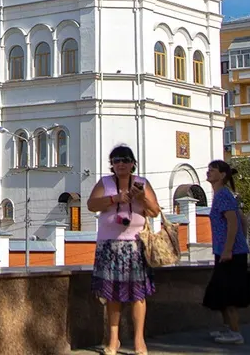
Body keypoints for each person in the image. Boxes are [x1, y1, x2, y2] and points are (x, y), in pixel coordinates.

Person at [86, 145, 160, 355]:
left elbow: (155, 211)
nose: (120, 164)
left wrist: (140, 197)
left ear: (132, 163)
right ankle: (113, 340)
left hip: (135, 245)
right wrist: (115, 199)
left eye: (125, 160)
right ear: (112, 164)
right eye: (116, 161)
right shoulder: (105, 183)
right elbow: (91, 204)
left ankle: (139, 341)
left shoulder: (142, 183)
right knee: (112, 295)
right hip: (109, 245)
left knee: (138, 295)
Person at [201, 160, 250, 346]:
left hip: (229, 253)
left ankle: (235, 332)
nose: (208, 173)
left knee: (229, 294)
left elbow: (233, 222)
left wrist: (230, 248)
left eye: (212, 170)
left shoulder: (223, 195)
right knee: (220, 292)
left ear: (222, 175)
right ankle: (228, 328)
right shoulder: (222, 195)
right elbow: (243, 220)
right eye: (208, 169)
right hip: (227, 251)